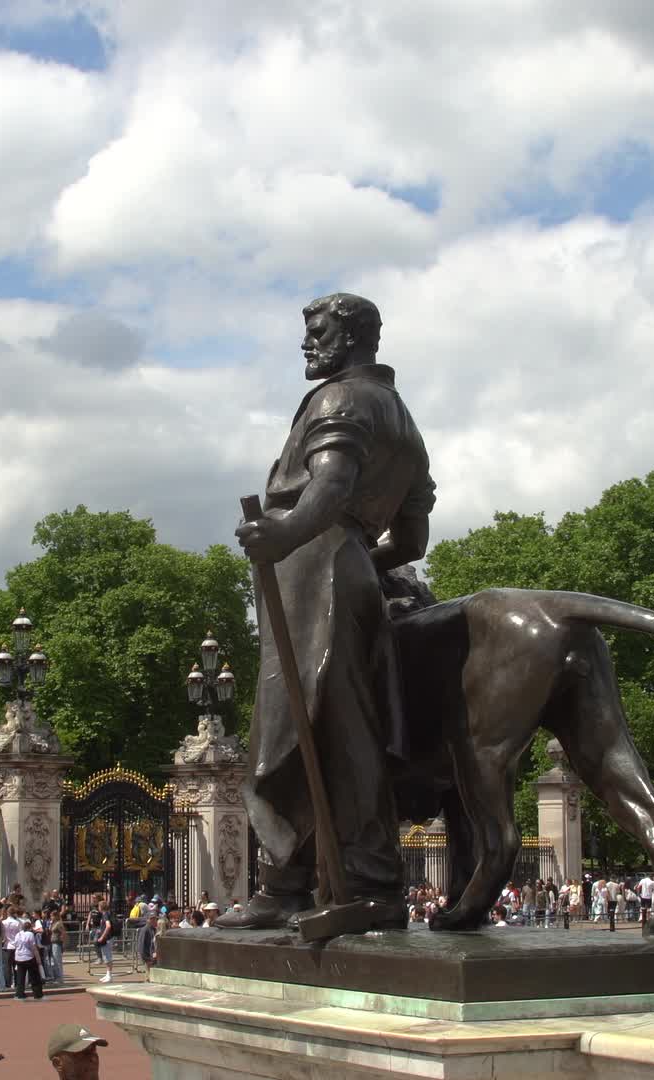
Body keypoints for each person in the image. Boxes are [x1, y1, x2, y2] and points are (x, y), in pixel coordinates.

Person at [218, 293, 434, 931]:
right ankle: (354, 877)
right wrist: (361, 560)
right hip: (353, 567)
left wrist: (291, 537)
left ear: (352, 338)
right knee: (345, 731)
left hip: (313, 568)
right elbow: (414, 540)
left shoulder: (339, 399)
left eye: (317, 333)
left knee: (285, 735)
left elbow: (330, 484)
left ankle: (294, 884)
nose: (307, 345)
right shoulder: (402, 416)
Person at [11, 918, 43, 1000]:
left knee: (20, 977)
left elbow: (15, 945)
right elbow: (33, 948)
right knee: (34, 976)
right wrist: (38, 959)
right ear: (30, 928)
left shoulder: (18, 934)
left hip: (18, 957)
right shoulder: (30, 934)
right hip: (28, 957)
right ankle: (37, 994)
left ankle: (19, 993)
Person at [91, 899, 117, 983]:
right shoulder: (108, 913)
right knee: (106, 956)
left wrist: (102, 937)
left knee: (107, 956)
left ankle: (109, 975)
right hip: (109, 938)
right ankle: (108, 974)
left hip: (107, 939)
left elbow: (108, 926)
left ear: (100, 907)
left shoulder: (105, 915)